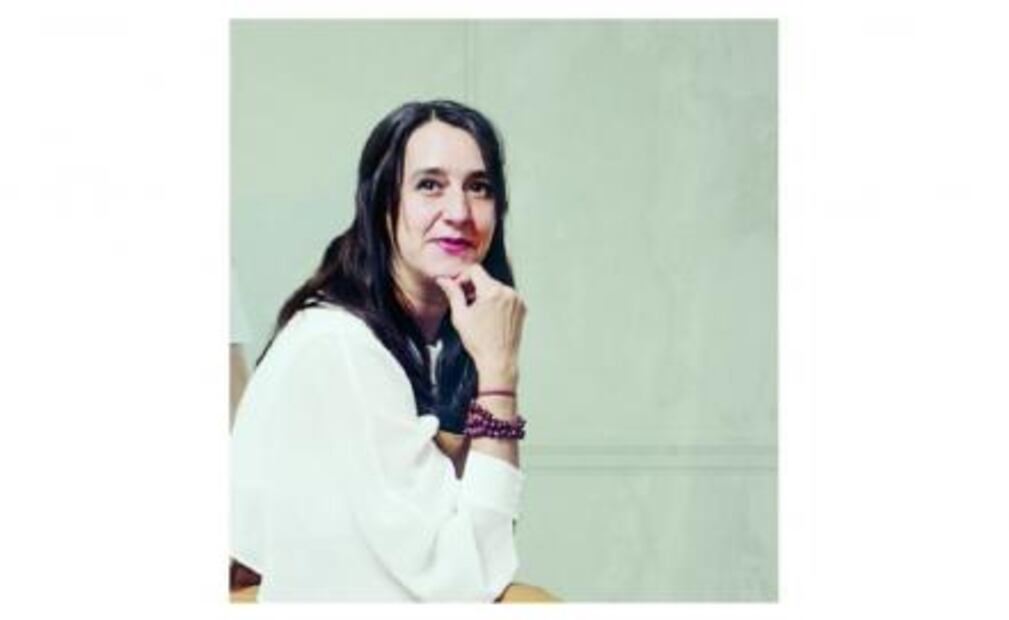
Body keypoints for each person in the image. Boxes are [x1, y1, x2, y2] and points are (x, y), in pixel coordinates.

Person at [230, 100, 537, 602]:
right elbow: (464, 578)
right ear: (382, 203)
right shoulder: (339, 349)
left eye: (479, 187)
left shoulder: (432, 343)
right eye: (430, 185)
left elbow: (476, 547)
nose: (459, 212)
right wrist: (500, 374)